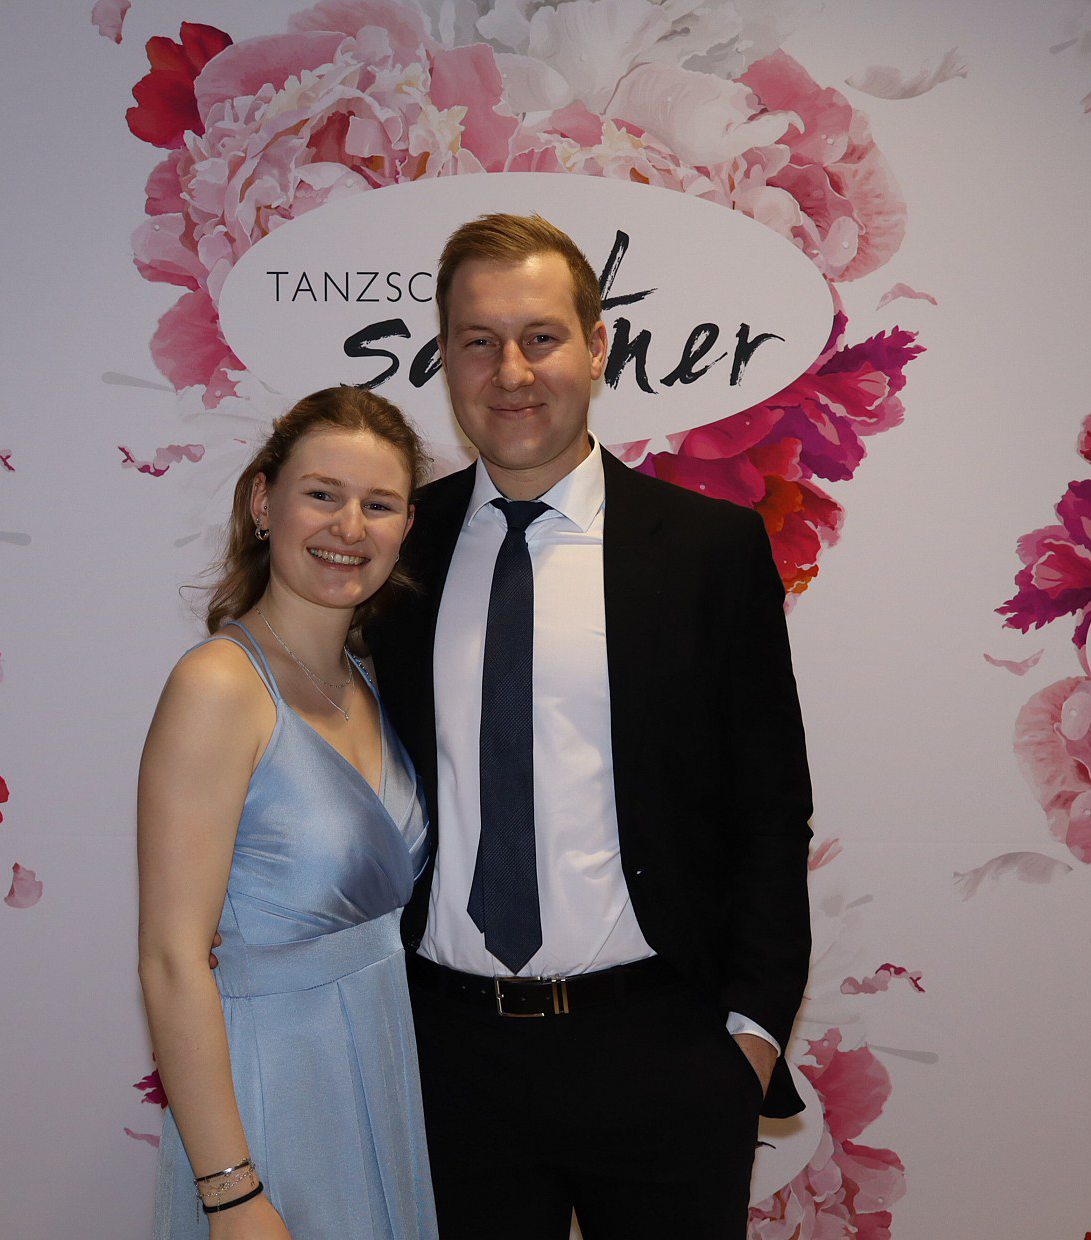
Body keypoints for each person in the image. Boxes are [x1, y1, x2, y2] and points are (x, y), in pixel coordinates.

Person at [365, 214, 814, 1238]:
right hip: (448, 1063)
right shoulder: (395, 552)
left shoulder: (706, 550)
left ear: (598, 345)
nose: (511, 372)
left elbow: (769, 805)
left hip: (659, 1053)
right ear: (444, 357)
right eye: (478, 341)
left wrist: (746, 1037)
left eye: (540, 336)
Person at [138, 387, 438, 1239]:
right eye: (322, 494)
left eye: (378, 504)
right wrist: (232, 1194)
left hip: (382, 1080)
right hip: (272, 1103)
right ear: (263, 503)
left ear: (406, 527)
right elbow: (171, 961)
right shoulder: (218, 686)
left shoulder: (368, 680)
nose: (350, 527)